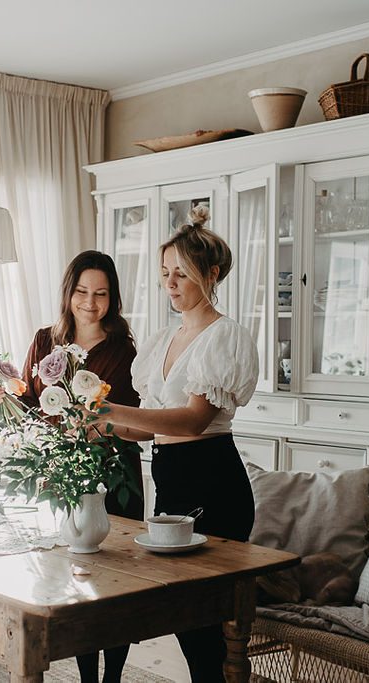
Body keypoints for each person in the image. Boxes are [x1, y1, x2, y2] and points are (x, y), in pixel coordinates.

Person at [102, 209, 259, 682]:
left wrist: (111, 412)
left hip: (214, 485)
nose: (170, 284)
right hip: (170, 482)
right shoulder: (164, 339)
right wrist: (94, 426)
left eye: (181, 274)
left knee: (203, 629)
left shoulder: (224, 337)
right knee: (185, 623)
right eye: (165, 274)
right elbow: (152, 429)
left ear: (211, 275)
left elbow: (192, 422)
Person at [0, 250, 143, 683]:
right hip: (65, 471)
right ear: (68, 293)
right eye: (82, 292)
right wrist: (2, 398)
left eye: (101, 294)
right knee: (77, 575)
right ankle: (89, 676)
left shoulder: (123, 349)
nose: (90, 303)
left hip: (113, 470)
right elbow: (32, 405)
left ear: (113, 298)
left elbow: (130, 414)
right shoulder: (43, 341)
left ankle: (113, 676)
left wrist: (94, 430)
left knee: (118, 581)